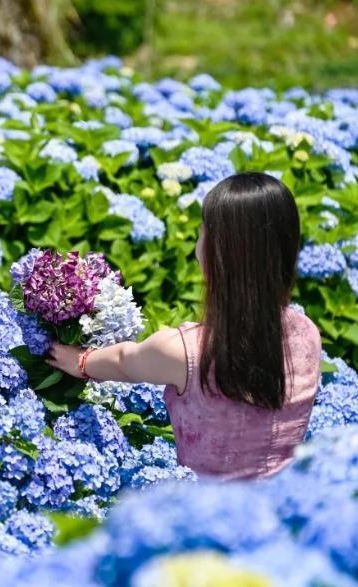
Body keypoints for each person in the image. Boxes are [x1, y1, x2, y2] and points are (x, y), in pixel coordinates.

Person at [46, 172, 321, 480]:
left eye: (202, 233)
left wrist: (80, 360)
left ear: (217, 254)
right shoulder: (308, 333)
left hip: (201, 518)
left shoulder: (186, 352)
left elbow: (126, 362)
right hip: (282, 513)